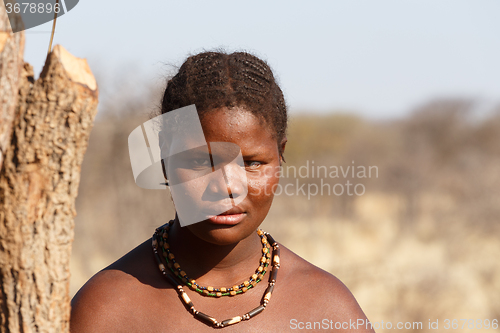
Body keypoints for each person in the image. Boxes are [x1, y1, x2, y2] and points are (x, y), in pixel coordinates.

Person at [70, 51, 375, 332]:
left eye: (252, 163)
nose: (228, 186)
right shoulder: (106, 310)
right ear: (165, 161)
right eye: (201, 161)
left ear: (280, 156)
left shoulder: (328, 309)